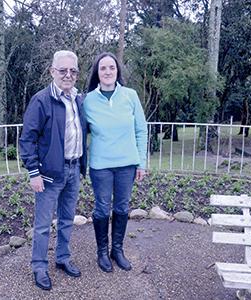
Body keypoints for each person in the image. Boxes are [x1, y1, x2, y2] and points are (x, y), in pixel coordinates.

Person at [20, 50, 87, 290]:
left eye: (73, 71)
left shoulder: (79, 99)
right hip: (48, 175)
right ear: (52, 72)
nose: (68, 75)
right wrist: (33, 172)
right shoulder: (41, 100)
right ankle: (39, 267)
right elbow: (27, 139)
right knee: (42, 224)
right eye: (63, 70)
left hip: (73, 169)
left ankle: (62, 258)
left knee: (67, 219)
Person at [84, 52, 147, 273]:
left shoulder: (130, 95)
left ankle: (117, 250)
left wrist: (141, 162)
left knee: (121, 207)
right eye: (103, 68)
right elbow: (80, 133)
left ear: (117, 70)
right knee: (102, 209)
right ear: (97, 73)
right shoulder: (88, 100)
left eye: (112, 67)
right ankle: (102, 252)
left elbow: (141, 130)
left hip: (127, 165)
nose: (108, 71)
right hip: (101, 166)